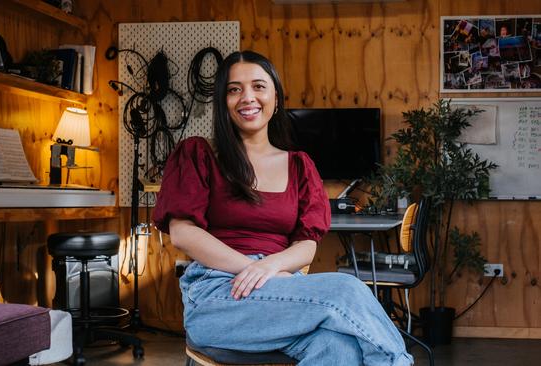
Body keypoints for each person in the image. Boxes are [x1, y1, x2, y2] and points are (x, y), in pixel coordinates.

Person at [153, 50, 413, 365]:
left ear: (276, 98)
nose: (247, 97)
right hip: (218, 294)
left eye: (258, 86)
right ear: (223, 102)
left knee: (336, 347)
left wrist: (269, 267)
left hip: (281, 292)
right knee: (346, 288)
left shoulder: (300, 166)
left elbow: (306, 246)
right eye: (234, 89)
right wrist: (255, 269)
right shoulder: (199, 154)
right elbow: (182, 234)